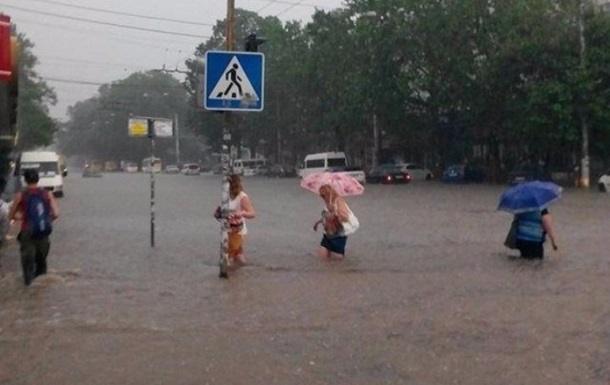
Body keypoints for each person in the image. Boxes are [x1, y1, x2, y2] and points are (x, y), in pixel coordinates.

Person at [8, 169, 60, 286]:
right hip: (43, 232)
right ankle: (41, 292)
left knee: (28, 265)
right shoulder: (47, 194)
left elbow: (11, 215)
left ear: (25, 180)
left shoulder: (20, 195)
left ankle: (28, 291)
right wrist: (44, 219)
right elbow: (56, 214)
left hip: (27, 232)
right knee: (41, 263)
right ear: (38, 179)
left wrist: (21, 216)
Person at [214, 174, 255, 265]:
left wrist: (242, 213)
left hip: (237, 230)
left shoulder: (242, 197)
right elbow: (225, 210)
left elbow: (252, 213)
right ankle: (245, 271)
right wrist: (219, 212)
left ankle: (231, 273)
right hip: (227, 229)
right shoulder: (226, 195)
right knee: (238, 255)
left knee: (229, 254)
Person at [313, 184, 353, 259]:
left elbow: (345, 218)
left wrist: (335, 211)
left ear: (328, 194)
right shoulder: (328, 203)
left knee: (336, 264)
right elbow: (327, 216)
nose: (322, 197)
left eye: (323, 196)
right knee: (321, 259)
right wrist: (318, 222)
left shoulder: (339, 202)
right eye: (321, 196)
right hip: (327, 235)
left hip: (338, 236)